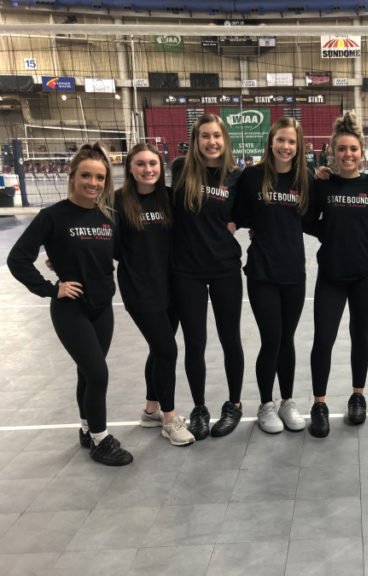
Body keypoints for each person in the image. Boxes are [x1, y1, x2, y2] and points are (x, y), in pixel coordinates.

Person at [8, 143, 133, 466]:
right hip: (71, 309)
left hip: (103, 307)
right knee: (98, 373)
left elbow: (118, 254)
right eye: (86, 176)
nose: (93, 183)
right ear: (73, 176)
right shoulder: (52, 216)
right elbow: (17, 258)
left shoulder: (108, 216)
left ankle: (86, 428)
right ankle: (102, 441)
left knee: (87, 373)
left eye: (100, 178)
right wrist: (51, 289)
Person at [305, 112, 368, 437]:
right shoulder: (323, 184)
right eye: (342, 150)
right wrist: (329, 233)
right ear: (332, 153)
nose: (348, 155)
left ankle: (358, 396)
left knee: (359, 336)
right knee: (324, 339)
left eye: (353, 149)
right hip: (332, 275)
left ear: (361, 153)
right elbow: (306, 220)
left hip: (366, 274)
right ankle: (319, 404)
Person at [233, 117, 310, 435]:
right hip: (263, 271)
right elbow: (235, 214)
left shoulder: (303, 179)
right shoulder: (252, 177)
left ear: (298, 145)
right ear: (271, 142)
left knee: (288, 340)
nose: (286, 146)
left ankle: (287, 401)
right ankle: (266, 403)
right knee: (272, 339)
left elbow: (315, 217)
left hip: (294, 271)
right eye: (281, 140)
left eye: (292, 142)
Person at [115, 143, 194, 446]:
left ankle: (151, 410)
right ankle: (169, 420)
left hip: (172, 287)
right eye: (140, 164)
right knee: (167, 350)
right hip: (139, 290)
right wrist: (63, 258)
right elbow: (100, 243)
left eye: (153, 163)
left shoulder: (170, 198)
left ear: (161, 167)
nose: (148, 169)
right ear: (130, 168)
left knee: (158, 350)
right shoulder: (118, 202)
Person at [171, 114, 244, 440]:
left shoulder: (236, 176)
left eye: (217, 136)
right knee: (194, 342)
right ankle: (199, 408)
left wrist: (239, 223)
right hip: (187, 271)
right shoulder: (179, 169)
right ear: (196, 139)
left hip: (226, 268)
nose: (211, 141)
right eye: (205, 136)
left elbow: (246, 211)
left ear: (224, 139)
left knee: (231, 339)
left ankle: (234, 405)